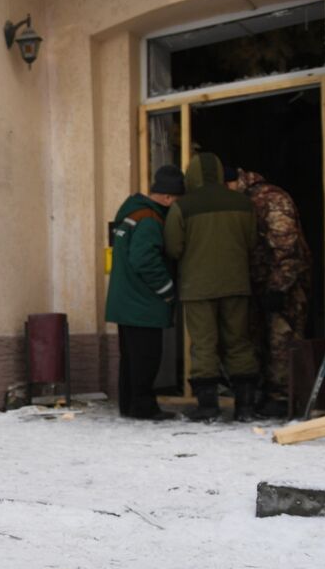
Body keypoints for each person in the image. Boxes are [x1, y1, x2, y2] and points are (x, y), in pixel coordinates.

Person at [163, 152, 259, 422]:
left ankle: (208, 407)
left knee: (204, 345)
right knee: (239, 342)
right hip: (237, 283)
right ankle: (246, 408)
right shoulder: (244, 204)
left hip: (198, 287)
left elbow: (173, 247)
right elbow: (252, 243)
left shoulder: (182, 207)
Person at [105, 164, 184, 420]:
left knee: (130, 357)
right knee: (146, 358)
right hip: (142, 303)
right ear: (168, 197)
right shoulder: (150, 219)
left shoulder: (132, 213)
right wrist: (168, 290)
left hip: (125, 301)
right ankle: (144, 407)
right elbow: (144, 260)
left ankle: (129, 405)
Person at [234, 167, 313, 418]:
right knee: (261, 339)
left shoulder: (272, 198)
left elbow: (286, 246)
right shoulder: (246, 199)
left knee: (282, 340)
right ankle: (266, 394)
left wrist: (278, 287)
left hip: (284, 286)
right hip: (261, 283)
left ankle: (282, 398)